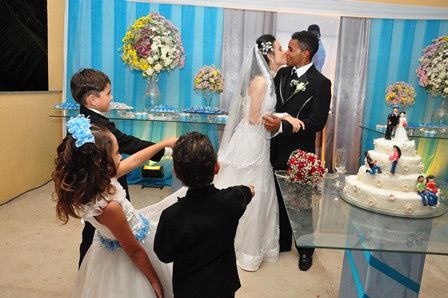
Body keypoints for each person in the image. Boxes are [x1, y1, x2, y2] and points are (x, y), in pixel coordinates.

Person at [52, 115, 177, 297]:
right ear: (102, 163)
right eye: (117, 153)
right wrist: (154, 280)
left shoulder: (93, 181)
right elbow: (134, 251)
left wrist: (161, 145)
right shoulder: (108, 207)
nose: (121, 156)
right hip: (131, 252)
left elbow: (133, 161)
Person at [214, 34, 303, 272]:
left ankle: (251, 247)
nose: (284, 51)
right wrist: (284, 117)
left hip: (260, 143)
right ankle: (238, 247)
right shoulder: (261, 81)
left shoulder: (269, 78)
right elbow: (254, 119)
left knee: (260, 191)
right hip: (251, 143)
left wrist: (282, 117)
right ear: (269, 55)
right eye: (279, 48)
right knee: (248, 190)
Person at [70, 68, 170, 267]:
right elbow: (128, 143)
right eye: (108, 93)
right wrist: (164, 149)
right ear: (92, 99)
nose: (111, 97)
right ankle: (95, 266)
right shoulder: (98, 126)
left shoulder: (82, 118)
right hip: (105, 190)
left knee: (97, 230)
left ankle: (90, 265)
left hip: (92, 188)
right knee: (111, 230)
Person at [154, 132, 254, 298]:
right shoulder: (233, 199)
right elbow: (249, 190)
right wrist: (249, 190)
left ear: (175, 172)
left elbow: (164, 255)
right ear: (216, 167)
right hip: (223, 285)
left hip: (188, 288)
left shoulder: (171, 215)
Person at [263, 30, 332, 271]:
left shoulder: (321, 83)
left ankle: (305, 250)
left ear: (305, 53)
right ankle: (282, 242)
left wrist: (282, 125)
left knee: (300, 204)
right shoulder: (282, 74)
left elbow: (317, 122)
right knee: (278, 200)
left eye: (291, 49)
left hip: (299, 154)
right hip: (274, 149)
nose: (286, 53)